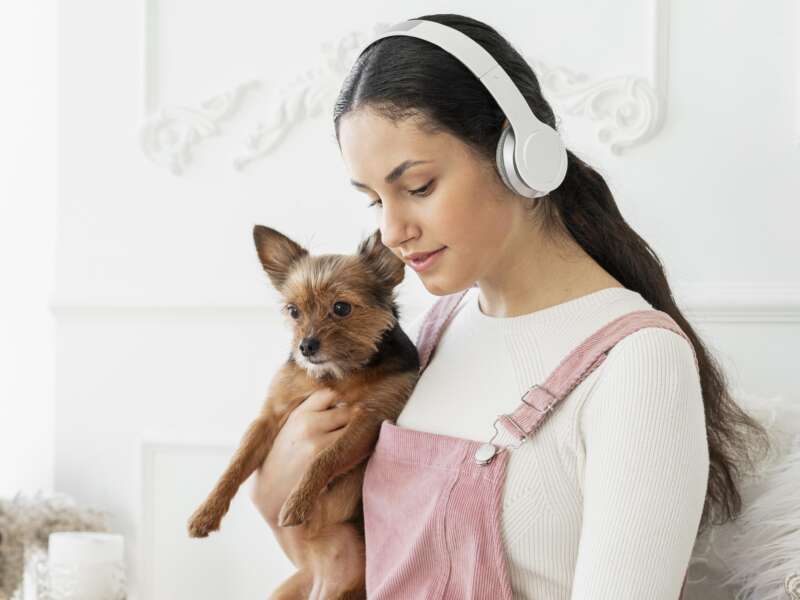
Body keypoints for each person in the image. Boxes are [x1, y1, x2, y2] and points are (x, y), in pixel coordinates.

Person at [250, 12, 770, 599]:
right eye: (374, 200)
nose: (393, 231)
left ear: (520, 153)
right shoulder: (438, 332)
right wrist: (278, 488)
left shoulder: (638, 363)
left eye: (418, 187)